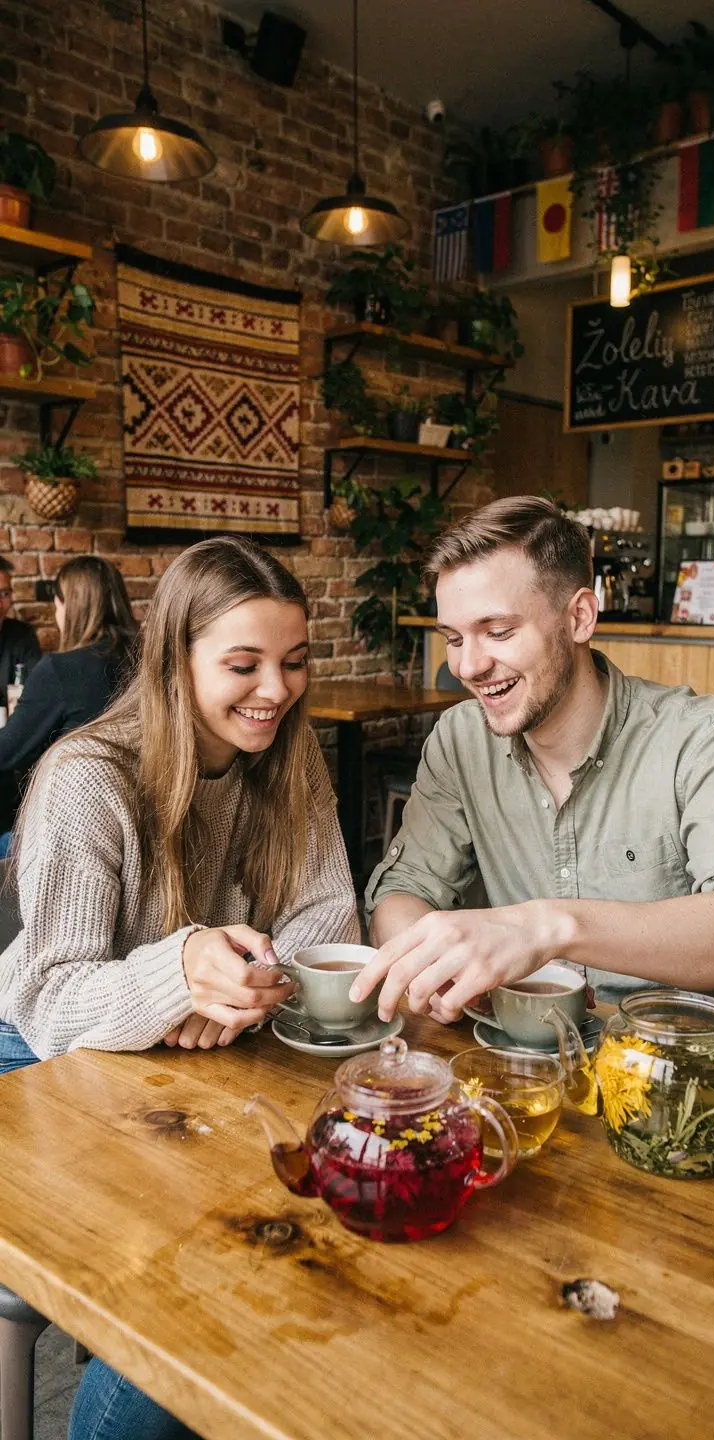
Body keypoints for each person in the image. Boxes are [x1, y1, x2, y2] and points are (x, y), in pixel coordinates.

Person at [0, 535, 358, 1440]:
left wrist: (241, 985)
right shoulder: (88, 779)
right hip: (38, 1058)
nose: (275, 690)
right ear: (174, 659)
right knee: (191, 1274)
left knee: (300, 1224)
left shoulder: (287, 755)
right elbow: (50, 994)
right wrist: (178, 974)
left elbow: (332, 919)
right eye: (243, 665)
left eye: (293, 662)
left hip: (185, 1066)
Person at [356, 495, 714, 1032]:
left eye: (498, 631)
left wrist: (544, 928)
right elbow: (403, 889)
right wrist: (431, 967)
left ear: (579, 617)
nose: (468, 666)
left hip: (691, 1081)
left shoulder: (704, 739)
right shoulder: (461, 739)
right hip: (525, 1063)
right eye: (454, 638)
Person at [0, 554, 138, 779]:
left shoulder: (61, 669)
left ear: (71, 609)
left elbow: (7, 752)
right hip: (148, 797)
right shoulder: (146, 657)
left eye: (57, 607)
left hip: (83, 799)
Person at [0, 556, 41, 831]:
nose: (2, 602)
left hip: (13, 744)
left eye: (5, 593)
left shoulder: (22, 635)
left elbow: (34, 694)